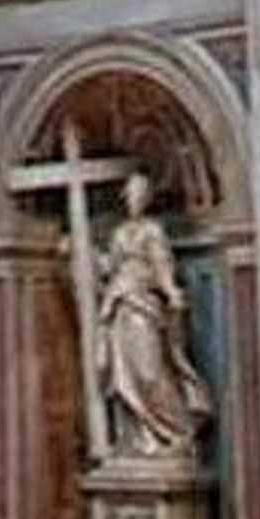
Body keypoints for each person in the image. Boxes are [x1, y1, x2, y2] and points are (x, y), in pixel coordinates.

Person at [92, 163, 212, 458]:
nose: (134, 198)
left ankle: (178, 431)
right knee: (123, 376)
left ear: (147, 198)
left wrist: (171, 292)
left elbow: (161, 265)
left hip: (143, 305)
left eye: (140, 193)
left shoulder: (152, 231)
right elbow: (110, 268)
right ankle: (138, 440)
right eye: (131, 192)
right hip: (119, 306)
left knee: (149, 372)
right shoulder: (119, 233)